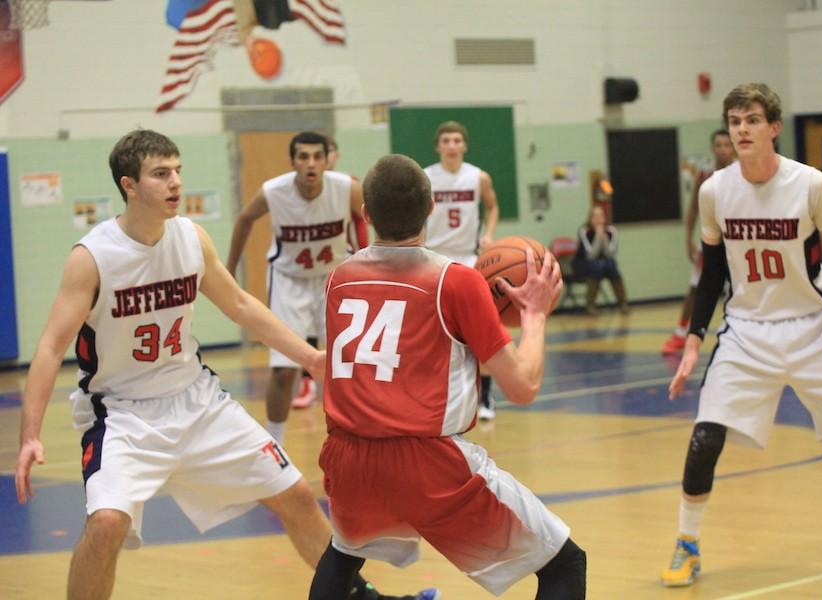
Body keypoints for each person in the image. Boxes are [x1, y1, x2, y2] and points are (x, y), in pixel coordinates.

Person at [13, 130, 434, 600]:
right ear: (129, 185)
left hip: (197, 401)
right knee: (107, 522)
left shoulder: (191, 238)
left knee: (294, 494)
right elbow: (50, 348)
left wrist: (312, 357)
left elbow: (240, 305)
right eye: (160, 174)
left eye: (177, 170)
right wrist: (30, 434)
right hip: (123, 414)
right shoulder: (92, 257)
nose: (175, 182)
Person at [308, 154, 586, 600]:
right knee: (565, 564)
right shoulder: (455, 280)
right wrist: (533, 315)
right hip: (426, 465)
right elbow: (523, 386)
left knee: (343, 554)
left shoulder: (340, 277)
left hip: (348, 457)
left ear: (365, 214)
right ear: (431, 206)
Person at [662, 84, 822, 587]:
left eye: (751, 120)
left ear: (773, 127)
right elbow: (710, 276)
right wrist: (692, 342)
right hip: (748, 332)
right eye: (734, 120)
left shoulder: (809, 184)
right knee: (705, 439)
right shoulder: (714, 191)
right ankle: (687, 543)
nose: (741, 129)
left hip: (814, 329)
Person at [226, 131, 366, 442]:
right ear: (293, 162)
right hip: (289, 280)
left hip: (333, 279)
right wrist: (229, 268)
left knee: (344, 365)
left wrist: (373, 258)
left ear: (327, 159)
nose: (311, 163)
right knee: (283, 369)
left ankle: (357, 434)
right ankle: (274, 442)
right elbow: (245, 219)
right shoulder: (273, 191)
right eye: (303, 157)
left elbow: (370, 216)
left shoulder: (346, 188)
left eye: (318, 156)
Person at [424, 121, 501, 420]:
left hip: (469, 259)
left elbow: (493, 207)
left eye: (457, 140)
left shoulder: (478, 177)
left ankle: (486, 395)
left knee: (479, 329)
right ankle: (436, 393)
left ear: (464, 145)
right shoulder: (427, 177)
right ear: (438, 146)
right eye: (446, 140)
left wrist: (490, 233)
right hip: (434, 260)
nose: (452, 145)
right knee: (433, 332)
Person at [661, 129, 735, 354]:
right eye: (718, 144)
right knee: (696, 289)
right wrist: (687, 239)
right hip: (711, 243)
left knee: (740, 291)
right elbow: (693, 207)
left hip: (737, 243)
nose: (722, 148)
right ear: (713, 148)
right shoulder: (705, 176)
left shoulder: (743, 174)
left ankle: (741, 335)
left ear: (732, 148)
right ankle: (680, 333)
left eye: (726, 144)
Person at [572, 204, 628, 315]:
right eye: (595, 216)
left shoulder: (611, 231)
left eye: (601, 215)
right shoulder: (584, 230)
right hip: (582, 263)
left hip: (603, 264)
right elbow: (590, 256)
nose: (598, 219)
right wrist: (598, 237)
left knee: (611, 264)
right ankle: (590, 305)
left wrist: (604, 239)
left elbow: (610, 254)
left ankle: (623, 303)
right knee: (598, 266)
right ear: (590, 218)